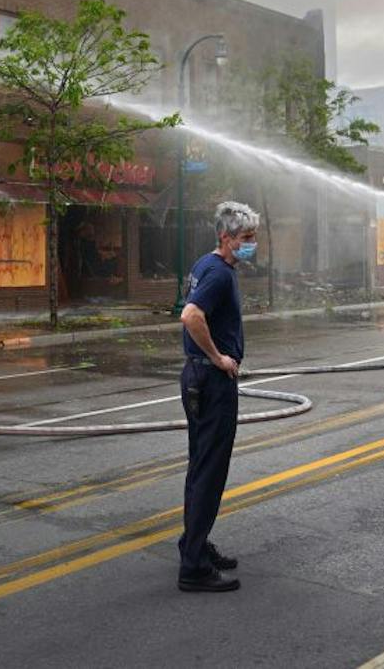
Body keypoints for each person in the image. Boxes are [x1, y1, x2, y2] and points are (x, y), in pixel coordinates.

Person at [177, 200, 258, 593]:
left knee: (201, 466)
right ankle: (193, 567)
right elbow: (191, 315)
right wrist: (219, 357)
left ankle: (195, 544)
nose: (251, 244)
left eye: (253, 237)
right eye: (245, 238)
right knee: (210, 471)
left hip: (198, 378)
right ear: (225, 238)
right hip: (211, 380)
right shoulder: (220, 274)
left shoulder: (207, 265)